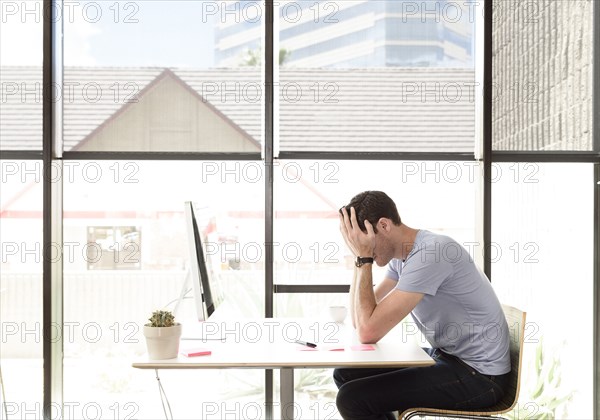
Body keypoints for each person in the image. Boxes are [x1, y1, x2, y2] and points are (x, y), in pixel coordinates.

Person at [335, 190, 510, 420]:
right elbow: (361, 321)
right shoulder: (401, 257)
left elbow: (368, 332)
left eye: (365, 240)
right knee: (346, 374)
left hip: (480, 376)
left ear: (384, 226)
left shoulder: (431, 253)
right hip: (449, 358)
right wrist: (360, 258)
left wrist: (364, 258)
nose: (363, 247)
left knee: (351, 398)